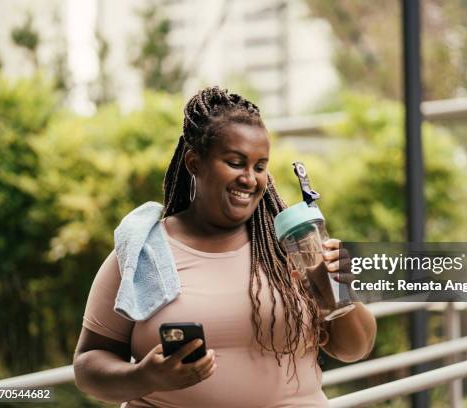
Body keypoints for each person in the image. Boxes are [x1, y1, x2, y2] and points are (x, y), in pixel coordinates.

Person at [73, 86, 377, 407]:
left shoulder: (292, 248)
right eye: (235, 162)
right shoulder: (145, 252)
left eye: (260, 166)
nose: (250, 178)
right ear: (194, 162)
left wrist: (338, 292)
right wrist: (145, 377)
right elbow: (89, 364)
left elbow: (354, 348)